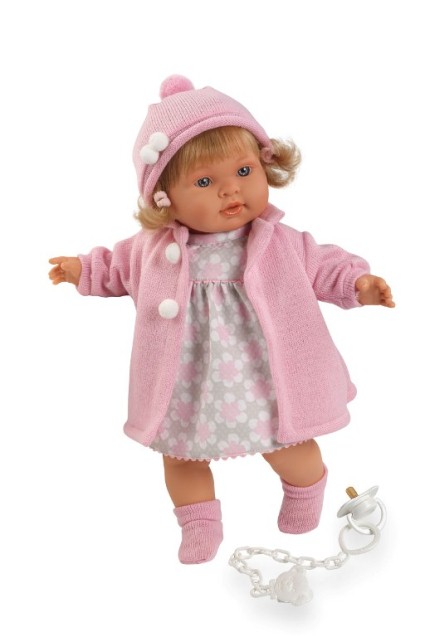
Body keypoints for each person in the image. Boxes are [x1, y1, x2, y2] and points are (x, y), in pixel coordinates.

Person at [49, 75, 395, 565]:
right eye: (204, 182)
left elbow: (325, 265)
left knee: (290, 443)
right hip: (184, 381)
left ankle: (305, 490)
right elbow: (113, 266)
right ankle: (199, 525)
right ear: (164, 196)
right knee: (180, 457)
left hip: (266, 377)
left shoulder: (280, 242)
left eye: (244, 170)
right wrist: (80, 269)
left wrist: (358, 283)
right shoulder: (150, 249)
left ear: (265, 166)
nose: (231, 189)